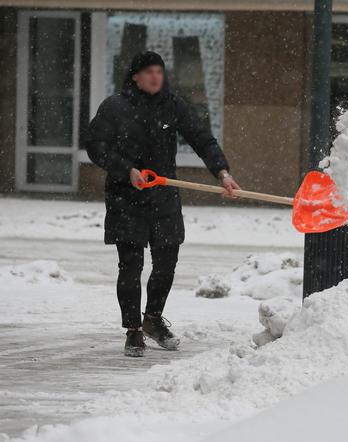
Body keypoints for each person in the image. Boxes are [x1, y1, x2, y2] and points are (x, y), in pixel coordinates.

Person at [86, 51, 240, 357]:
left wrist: (222, 172)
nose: (156, 77)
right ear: (135, 77)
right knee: (131, 267)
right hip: (126, 197)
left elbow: (202, 139)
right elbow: (95, 145)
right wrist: (126, 170)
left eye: (159, 71)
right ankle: (133, 331)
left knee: (166, 265)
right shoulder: (115, 107)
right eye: (149, 72)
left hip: (163, 196)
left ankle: (153, 319)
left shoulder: (173, 105)